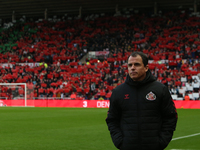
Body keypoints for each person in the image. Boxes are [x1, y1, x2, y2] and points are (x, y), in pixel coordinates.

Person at [106, 52, 178, 150]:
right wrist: (120, 142)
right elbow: (112, 119)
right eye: (130, 65)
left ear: (146, 68)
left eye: (137, 64)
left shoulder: (160, 89)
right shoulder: (118, 92)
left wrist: (161, 142)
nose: (132, 68)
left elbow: (170, 117)